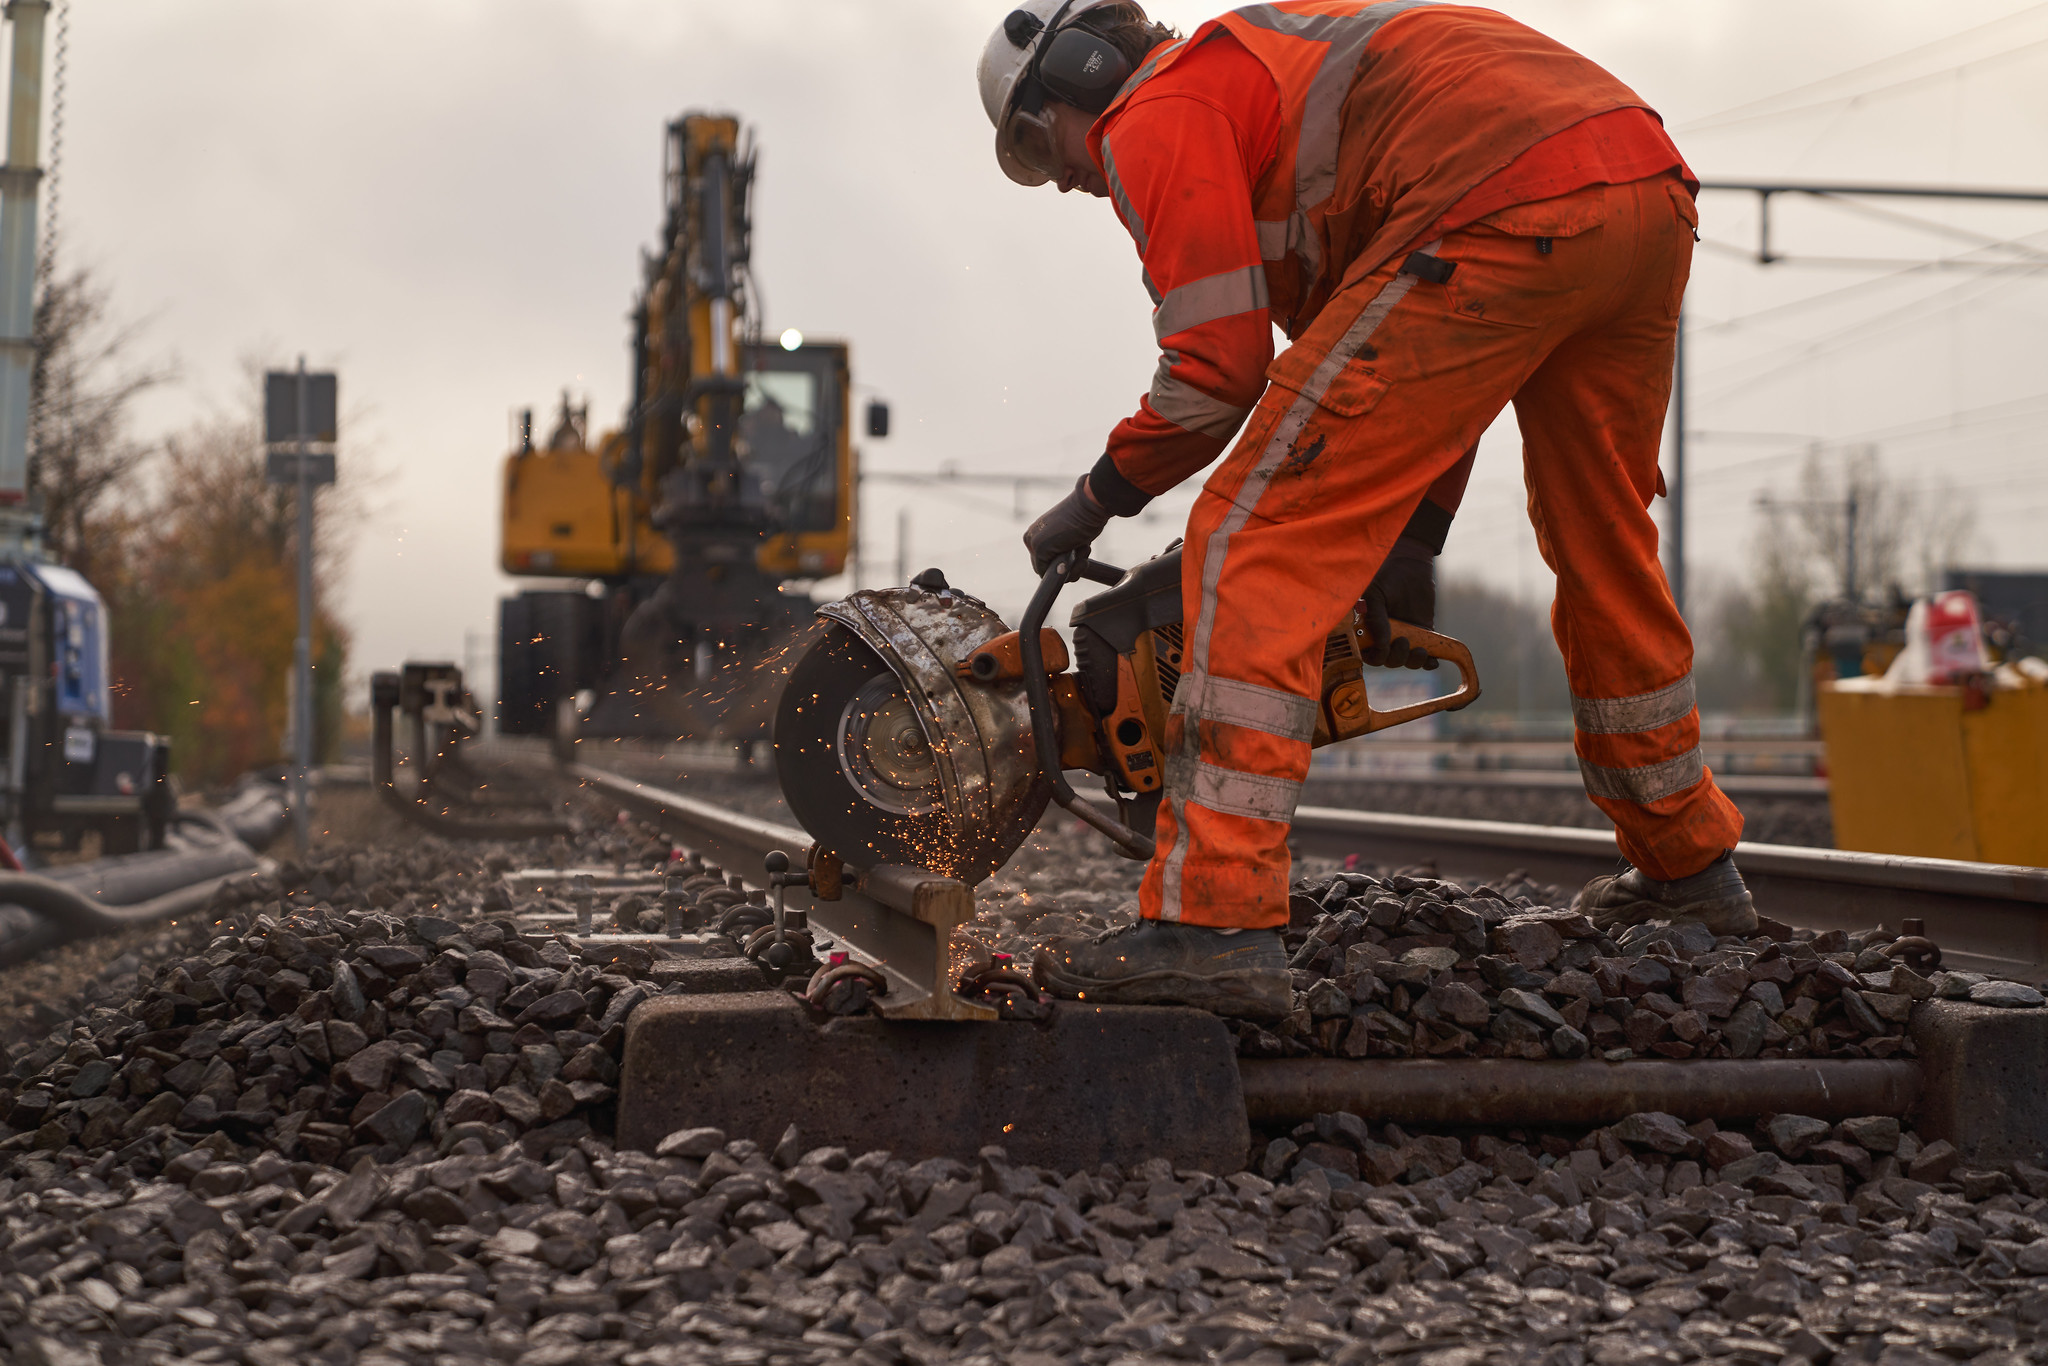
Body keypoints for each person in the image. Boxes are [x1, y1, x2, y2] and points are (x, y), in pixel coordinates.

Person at [978, 0, 1757, 1019]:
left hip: (1496, 202)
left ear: (1078, 73)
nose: (1063, 180)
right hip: (1640, 189)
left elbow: (1215, 371)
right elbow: (1416, 354)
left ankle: (1213, 920)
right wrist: (1415, 534)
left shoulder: (1156, 108)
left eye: (1039, 147)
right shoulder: (1263, 87)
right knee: (1602, 540)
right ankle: (1686, 861)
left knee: (1254, 539)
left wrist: (1095, 500)